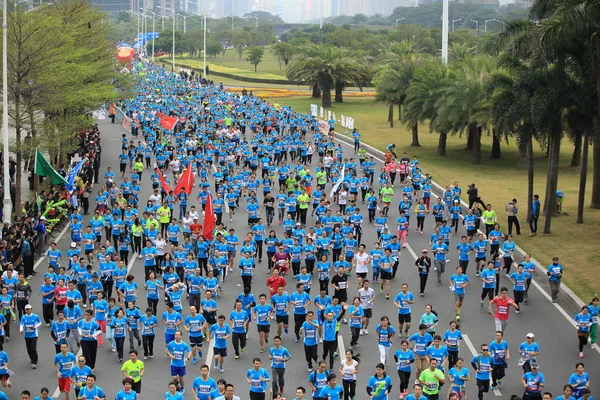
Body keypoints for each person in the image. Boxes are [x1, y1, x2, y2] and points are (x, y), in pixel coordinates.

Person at [19, 304, 41, 368]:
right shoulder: (23, 317)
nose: (28, 310)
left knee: (33, 348)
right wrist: (21, 329)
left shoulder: (35, 316)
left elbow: (39, 323)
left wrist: (35, 327)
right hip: (27, 335)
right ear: (25, 310)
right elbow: (21, 324)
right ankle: (32, 358)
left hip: (34, 335)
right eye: (27, 309)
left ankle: (34, 362)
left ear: (31, 309)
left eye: (29, 309)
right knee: (29, 350)